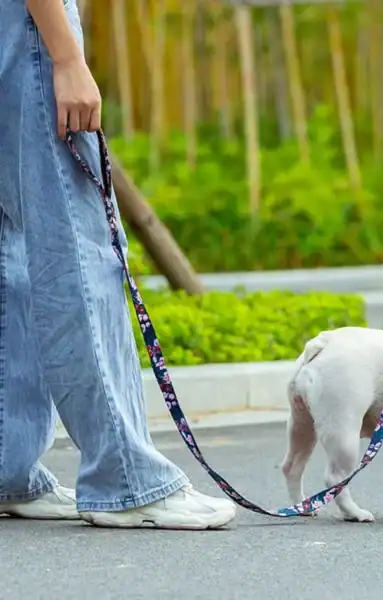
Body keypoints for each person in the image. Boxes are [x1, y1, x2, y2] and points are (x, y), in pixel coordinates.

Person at [0, 0, 236, 529]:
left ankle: (6, 465)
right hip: (28, 27)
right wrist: (65, 54)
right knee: (76, 254)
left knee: (8, 252)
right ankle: (125, 478)